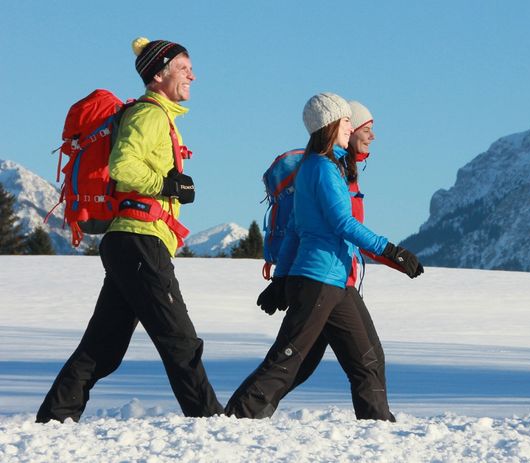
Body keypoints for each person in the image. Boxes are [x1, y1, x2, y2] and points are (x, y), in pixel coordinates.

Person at [36, 37, 223, 423]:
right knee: (180, 340)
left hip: (133, 242)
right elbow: (123, 166)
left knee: (102, 347)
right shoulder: (149, 115)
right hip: (140, 241)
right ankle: (208, 421)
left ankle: (54, 420)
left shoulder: (159, 116)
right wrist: (169, 185)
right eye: (184, 68)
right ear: (158, 74)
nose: (193, 75)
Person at [226, 93, 423, 420]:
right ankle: (237, 418)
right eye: (347, 120)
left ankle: (378, 428)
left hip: (334, 281)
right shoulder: (321, 168)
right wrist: (391, 250)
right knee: (288, 361)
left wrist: (282, 278)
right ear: (330, 124)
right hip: (320, 278)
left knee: (368, 359)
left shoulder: (323, 166)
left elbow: (293, 229)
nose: (351, 127)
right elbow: (342, 223)